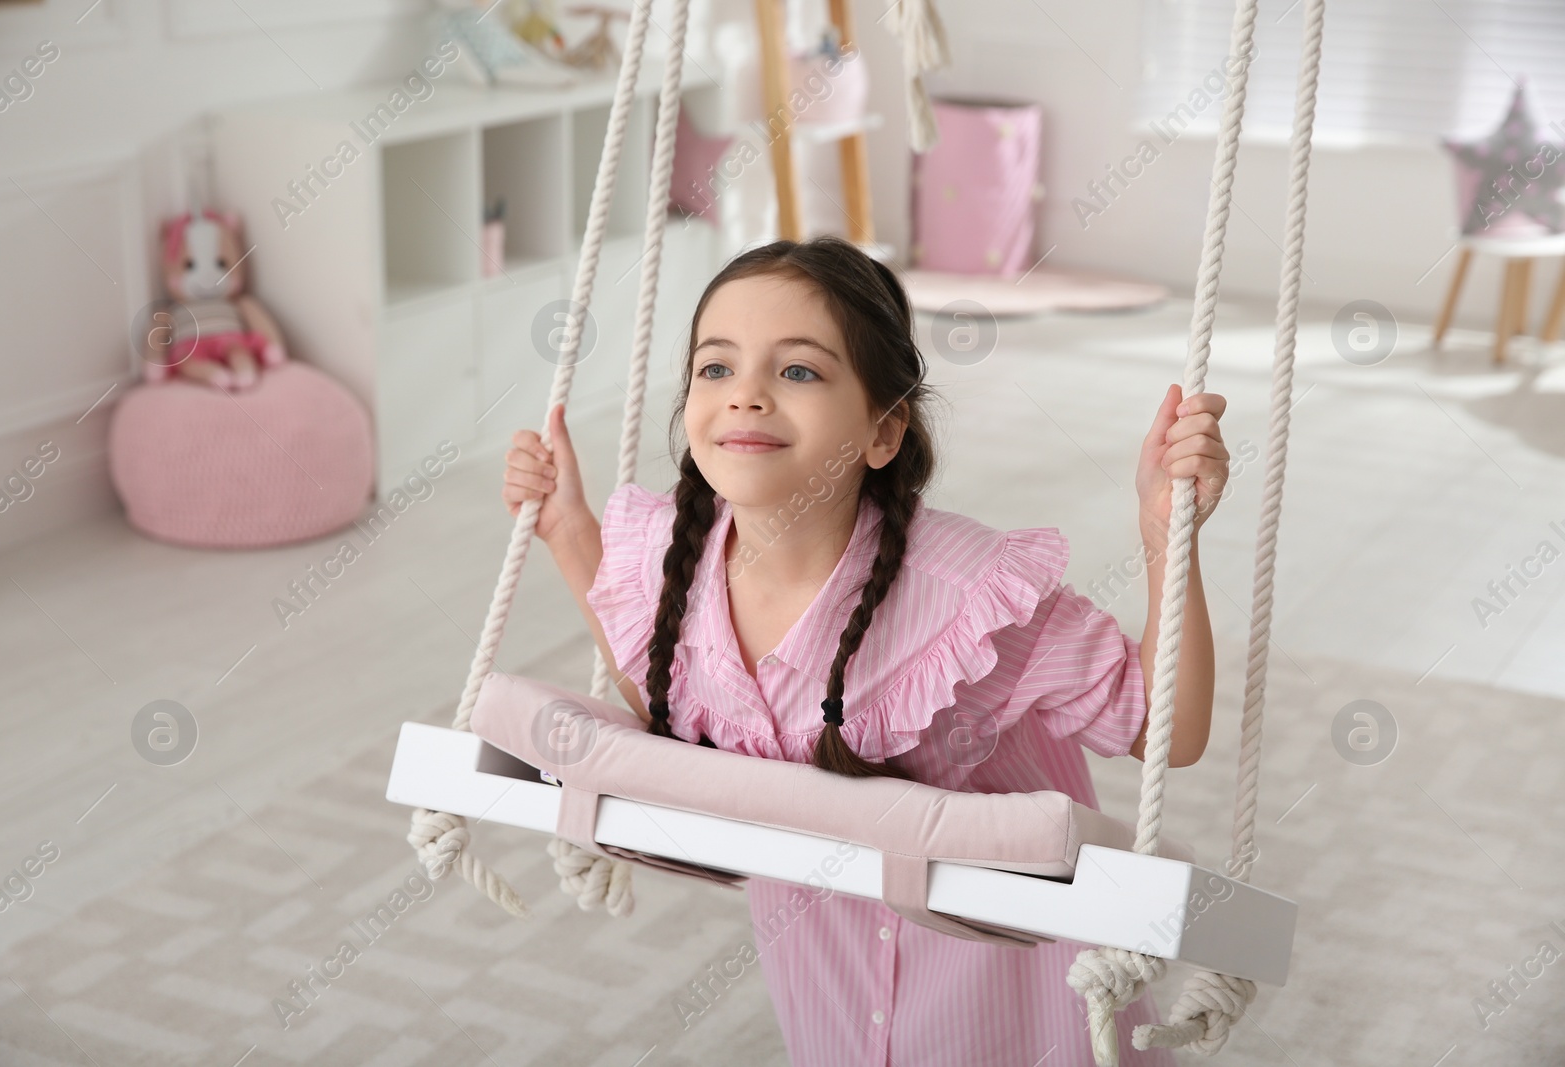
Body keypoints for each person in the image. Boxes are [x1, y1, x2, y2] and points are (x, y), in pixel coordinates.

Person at [501, 235, 1227, 1066]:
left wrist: (1167, 537)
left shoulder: (966, 597)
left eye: (798, 371)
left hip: (1004, 968)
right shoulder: (673, 547)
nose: (746, 396)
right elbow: (665, 696)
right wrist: (566, 530)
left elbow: (1167, 731)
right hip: (826, 956)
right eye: (716, 368)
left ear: (883, 432)